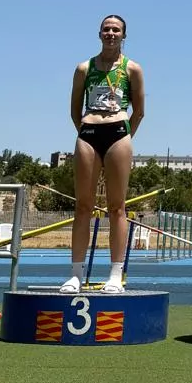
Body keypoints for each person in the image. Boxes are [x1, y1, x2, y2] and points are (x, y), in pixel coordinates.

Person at [60, 15, 145, 295]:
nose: (111, 33)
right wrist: (87, 129)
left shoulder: (132, 69)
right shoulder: (83, 68)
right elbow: (74, 109)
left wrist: (123, 134)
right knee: (83, 205)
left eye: (116, 30)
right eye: (106, 29)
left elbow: (140, 111)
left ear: (124, 35)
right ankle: (75, 274)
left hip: (119, 133)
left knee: (117, 207)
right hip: (89, 133)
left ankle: (115, 273)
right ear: (99, 33)